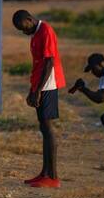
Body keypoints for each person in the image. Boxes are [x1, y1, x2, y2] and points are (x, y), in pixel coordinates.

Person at [12, 10, 65, 188]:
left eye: (23, 27)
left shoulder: (46, 30)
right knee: (43, 127)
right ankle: (45, 173)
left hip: (48, 85)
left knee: (48, 128)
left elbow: (49, 63)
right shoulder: (36, 34)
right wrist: (32, 89)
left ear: (29, 19)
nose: (23, 31)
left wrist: (39, 90)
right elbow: (38, 64)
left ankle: (53, 177)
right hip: (40, 86)